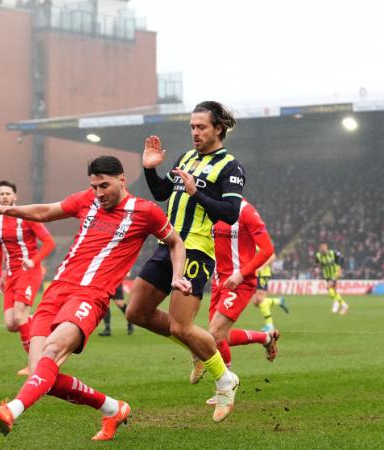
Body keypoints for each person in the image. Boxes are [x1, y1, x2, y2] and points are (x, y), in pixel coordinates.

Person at [0, 156, 189, 441]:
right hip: (56, 290)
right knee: (40, 377)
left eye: (104, 185)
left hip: (91, 296)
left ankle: (11, 411)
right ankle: (113, 408)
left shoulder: (145, 212)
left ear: (122, 179)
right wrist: (6, 210)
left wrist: (177, 276)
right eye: (94, 187)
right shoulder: (85, 201)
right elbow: (45, 211)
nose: (99, 193)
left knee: (52, 352)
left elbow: (176, 243)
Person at [125, 101, 245, 423]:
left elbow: (231, 213)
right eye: (192, 126)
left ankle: (225, 380)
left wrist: (198, 195)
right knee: (136, 311)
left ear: (218, 128)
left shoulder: (230, 167)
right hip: (168, 244)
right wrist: (150, 169)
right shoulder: (186, 158)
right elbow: (163, 192)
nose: (195, 132)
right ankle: (197, 346)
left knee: (181, 325)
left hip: (197, 251)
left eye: (201, 127)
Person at [191, 198, 279, 404]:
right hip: (218, 281)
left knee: (211, 335)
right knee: (219, 338)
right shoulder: (210, 208)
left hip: (240, 282)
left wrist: (242, 273)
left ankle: (226, 383)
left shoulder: (246, 211)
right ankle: (265, 338)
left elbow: (267, 250)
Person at [0, 180, 55, 375]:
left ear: (15, 197)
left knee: (20, 317)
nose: (4, 197)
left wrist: (34, 261)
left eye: (8, 194)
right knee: (11, 324)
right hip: (10, 275)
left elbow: (49, 243)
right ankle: (44, 324)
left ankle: (33, 364)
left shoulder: (26, 217)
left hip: (29, 271)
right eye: (1, 194)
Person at [252, 257, 288, 332]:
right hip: (254, 272)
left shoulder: (262, 244)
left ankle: (269, 325)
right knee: (255, 302)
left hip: (262, 273)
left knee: (260, 299)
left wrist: (262, 267)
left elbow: (272, 256)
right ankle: (279, 301)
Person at [316, 243, 348, 314]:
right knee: (333, 291)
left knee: (328, 287)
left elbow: (342, 258)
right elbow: (318, 264)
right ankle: (336, 303)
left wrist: (340, 269)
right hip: (327, 275)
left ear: (326, 248)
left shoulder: (333, 253)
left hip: (335, 273)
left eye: (324, 250)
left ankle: (344, 305)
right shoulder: (318, 256)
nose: (322, 251)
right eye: (321, 250)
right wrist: (318, 269)